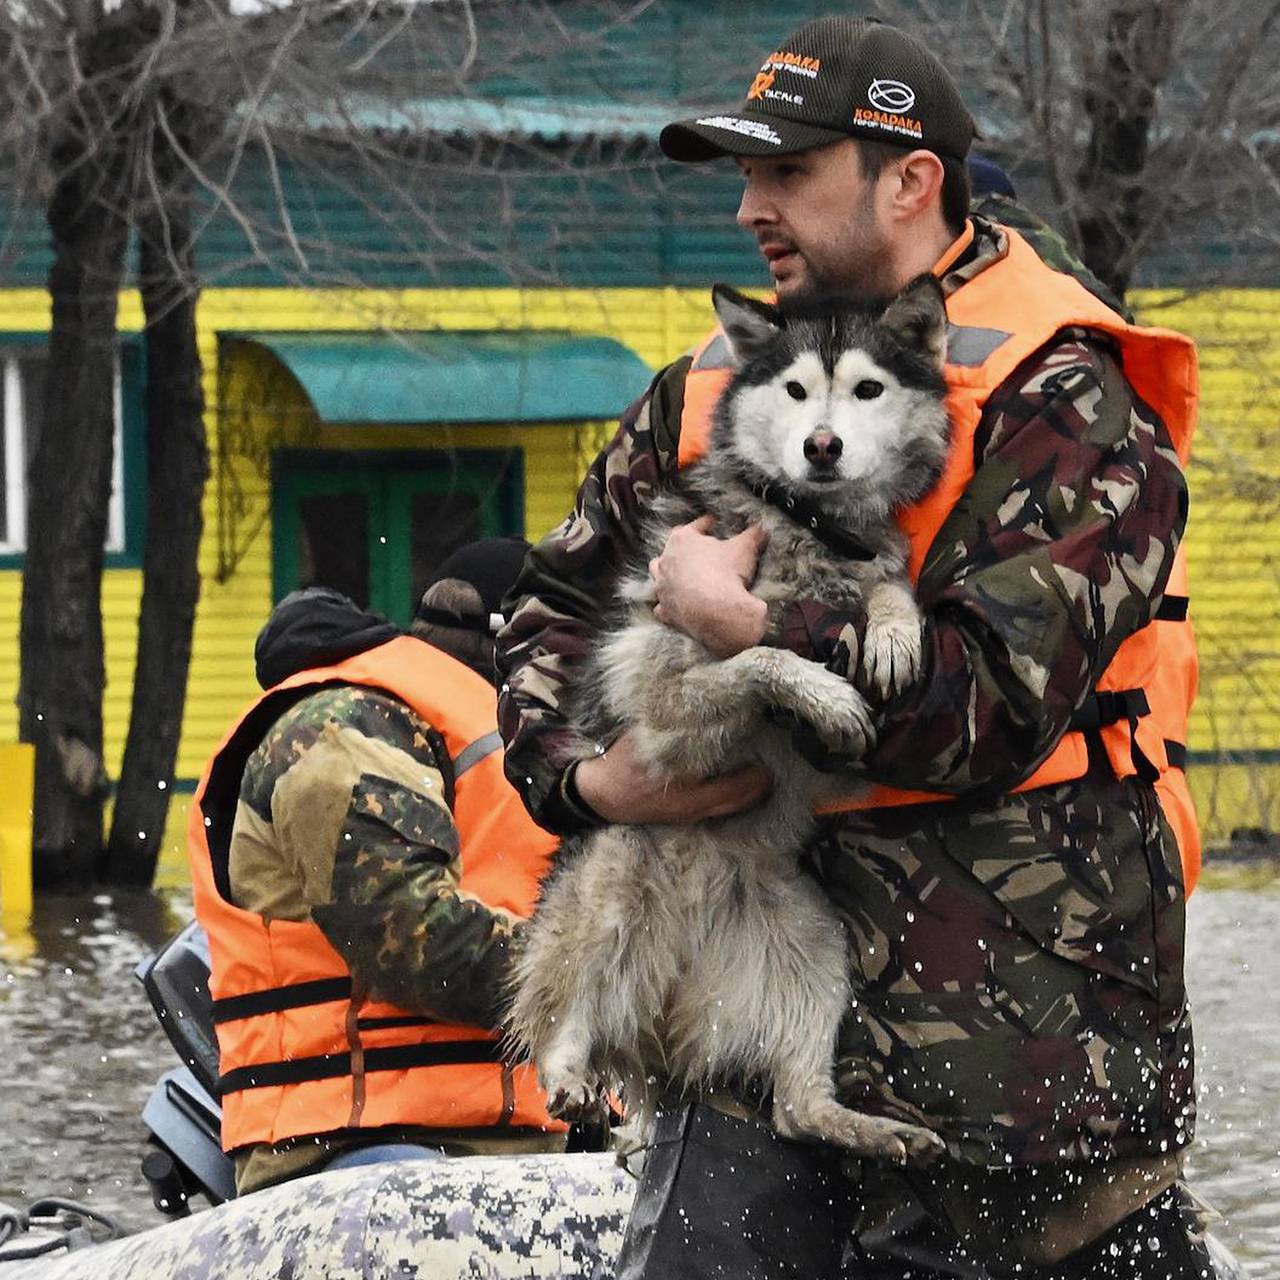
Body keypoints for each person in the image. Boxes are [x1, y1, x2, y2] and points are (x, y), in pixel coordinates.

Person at [497, 15, 1209, 1278]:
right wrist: (581, 776)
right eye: (742, 175)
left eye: (784, 173)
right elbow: (547, 606)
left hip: (1026, 1076)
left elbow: (988, 703)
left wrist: (756, 624)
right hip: (736, 1043)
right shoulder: (704, 391)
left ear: (909, 180)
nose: (746, 209)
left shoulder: (1070, 402)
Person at [187, 538, 565, 1195]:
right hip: (358, 1152)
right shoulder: (344, 726)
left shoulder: (490, 740)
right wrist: (612, 975)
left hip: (492, 1146)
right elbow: (406, 937)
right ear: (514, 642)